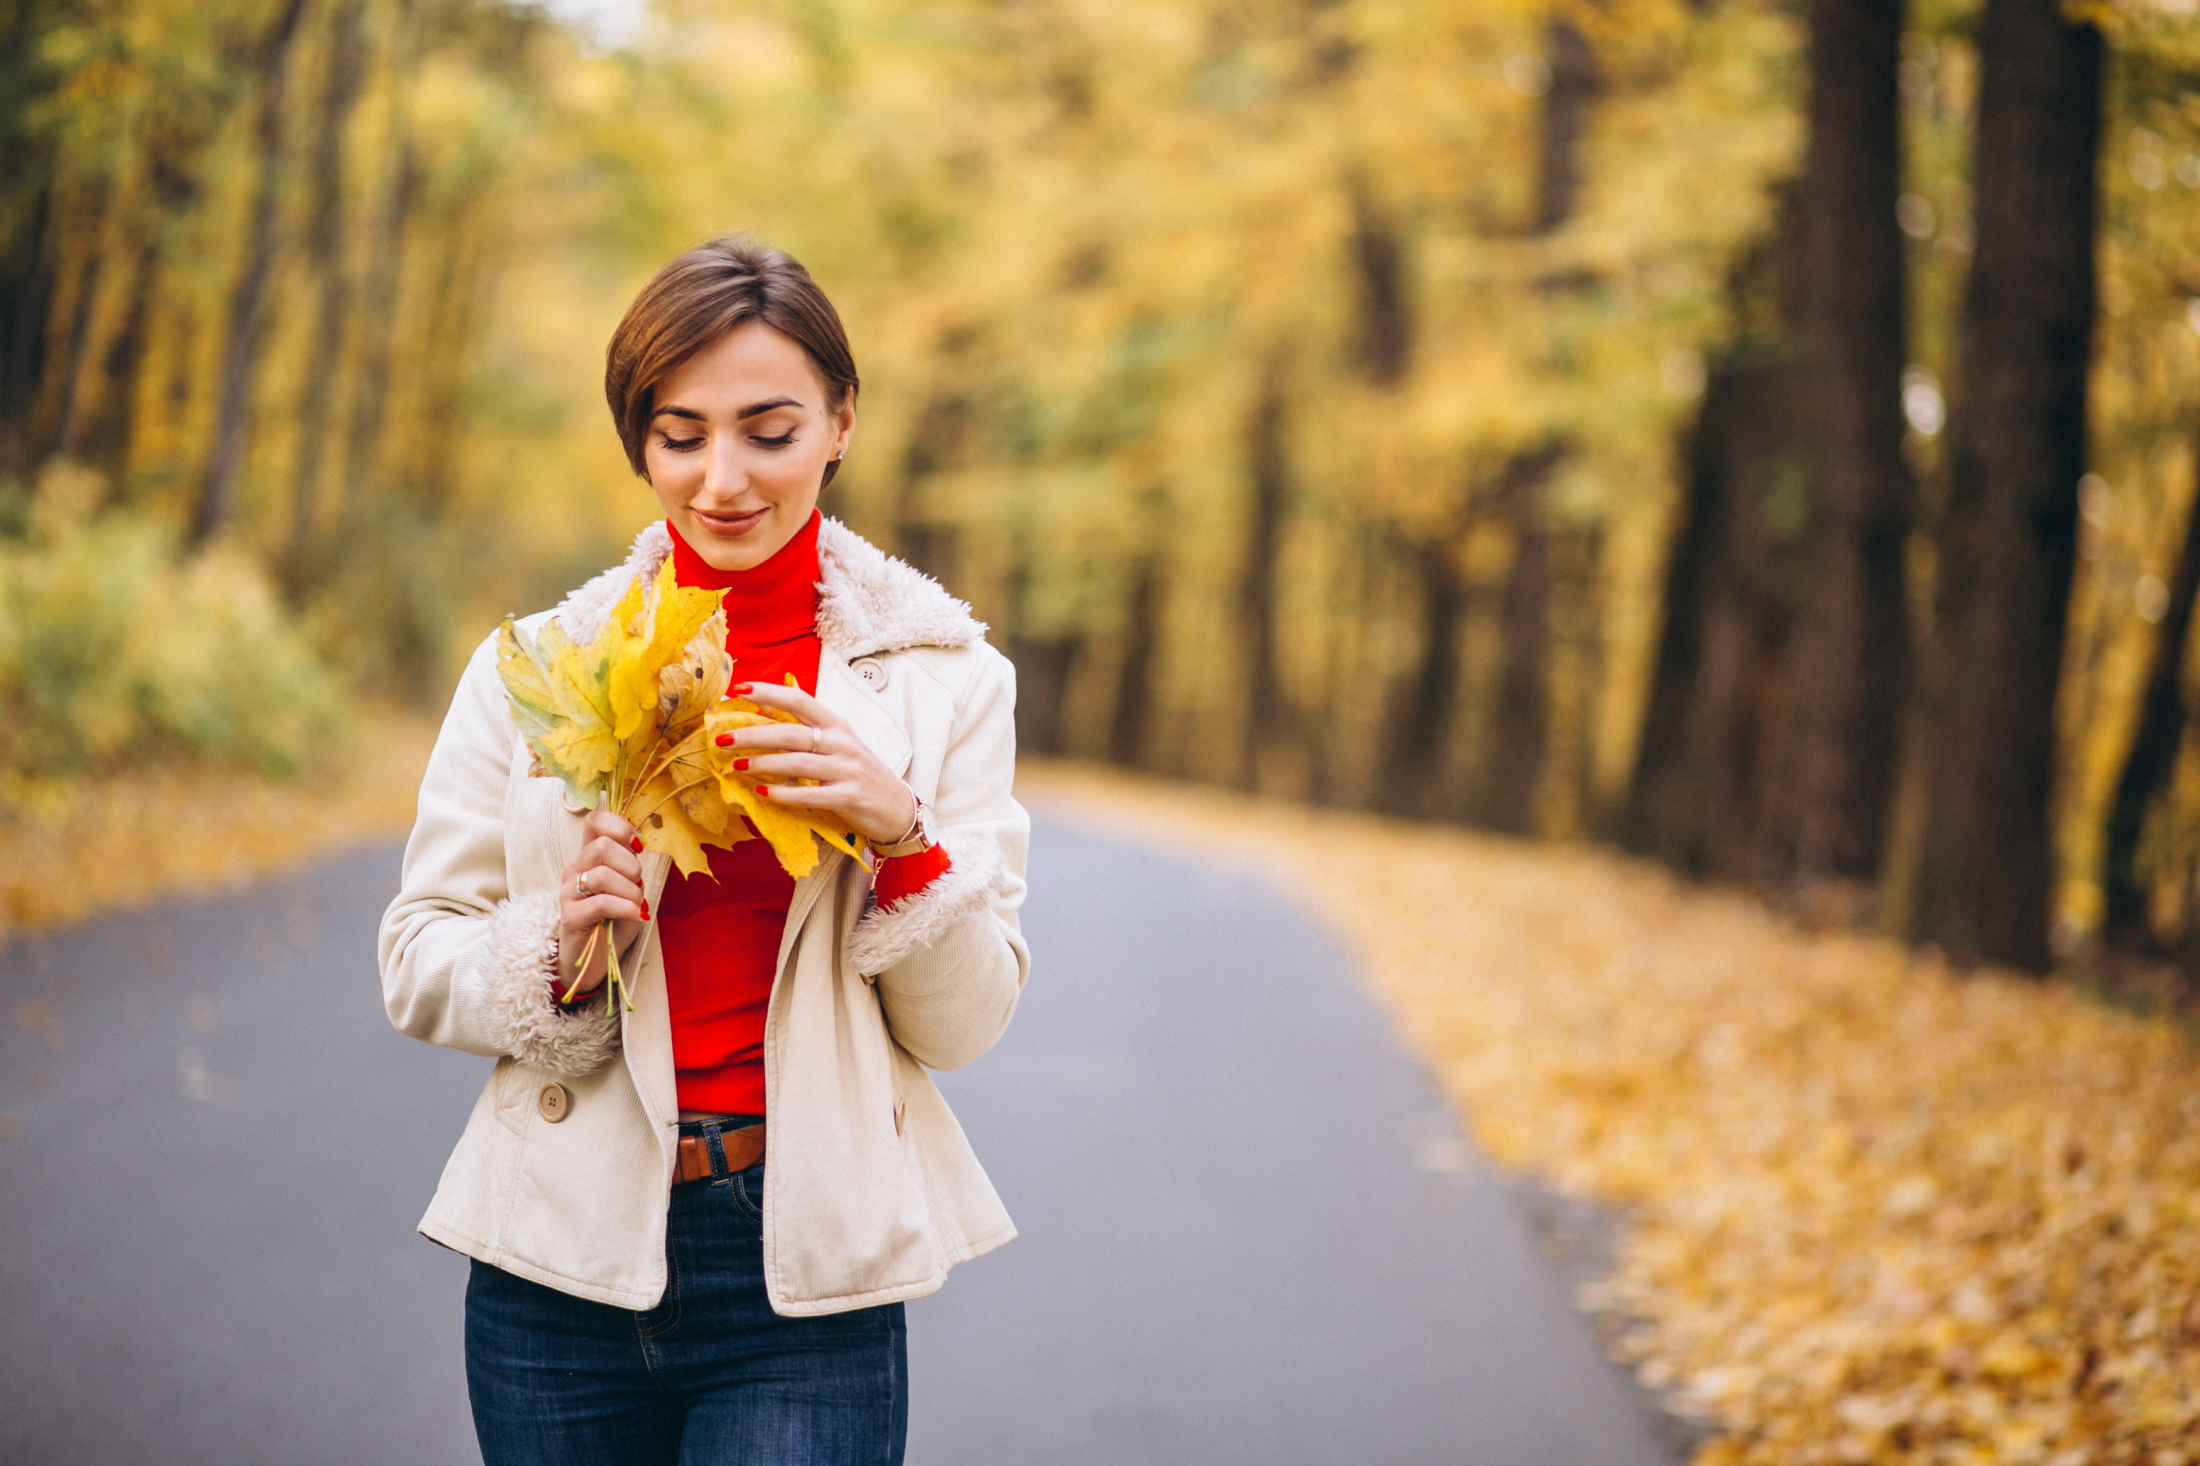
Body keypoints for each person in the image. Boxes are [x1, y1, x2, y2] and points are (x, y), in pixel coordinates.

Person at [378, 235, 1030, 1465]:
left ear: (841, 420)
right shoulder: (542, 667)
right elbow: (417, 954)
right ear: (640, 441)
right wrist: (557, 947)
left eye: (767, 430)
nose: (721, 478)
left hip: (800, 1271)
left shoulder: (944, 685)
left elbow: (965, 1023)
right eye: (679, 435)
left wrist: (902, 835)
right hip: (557, 1260)